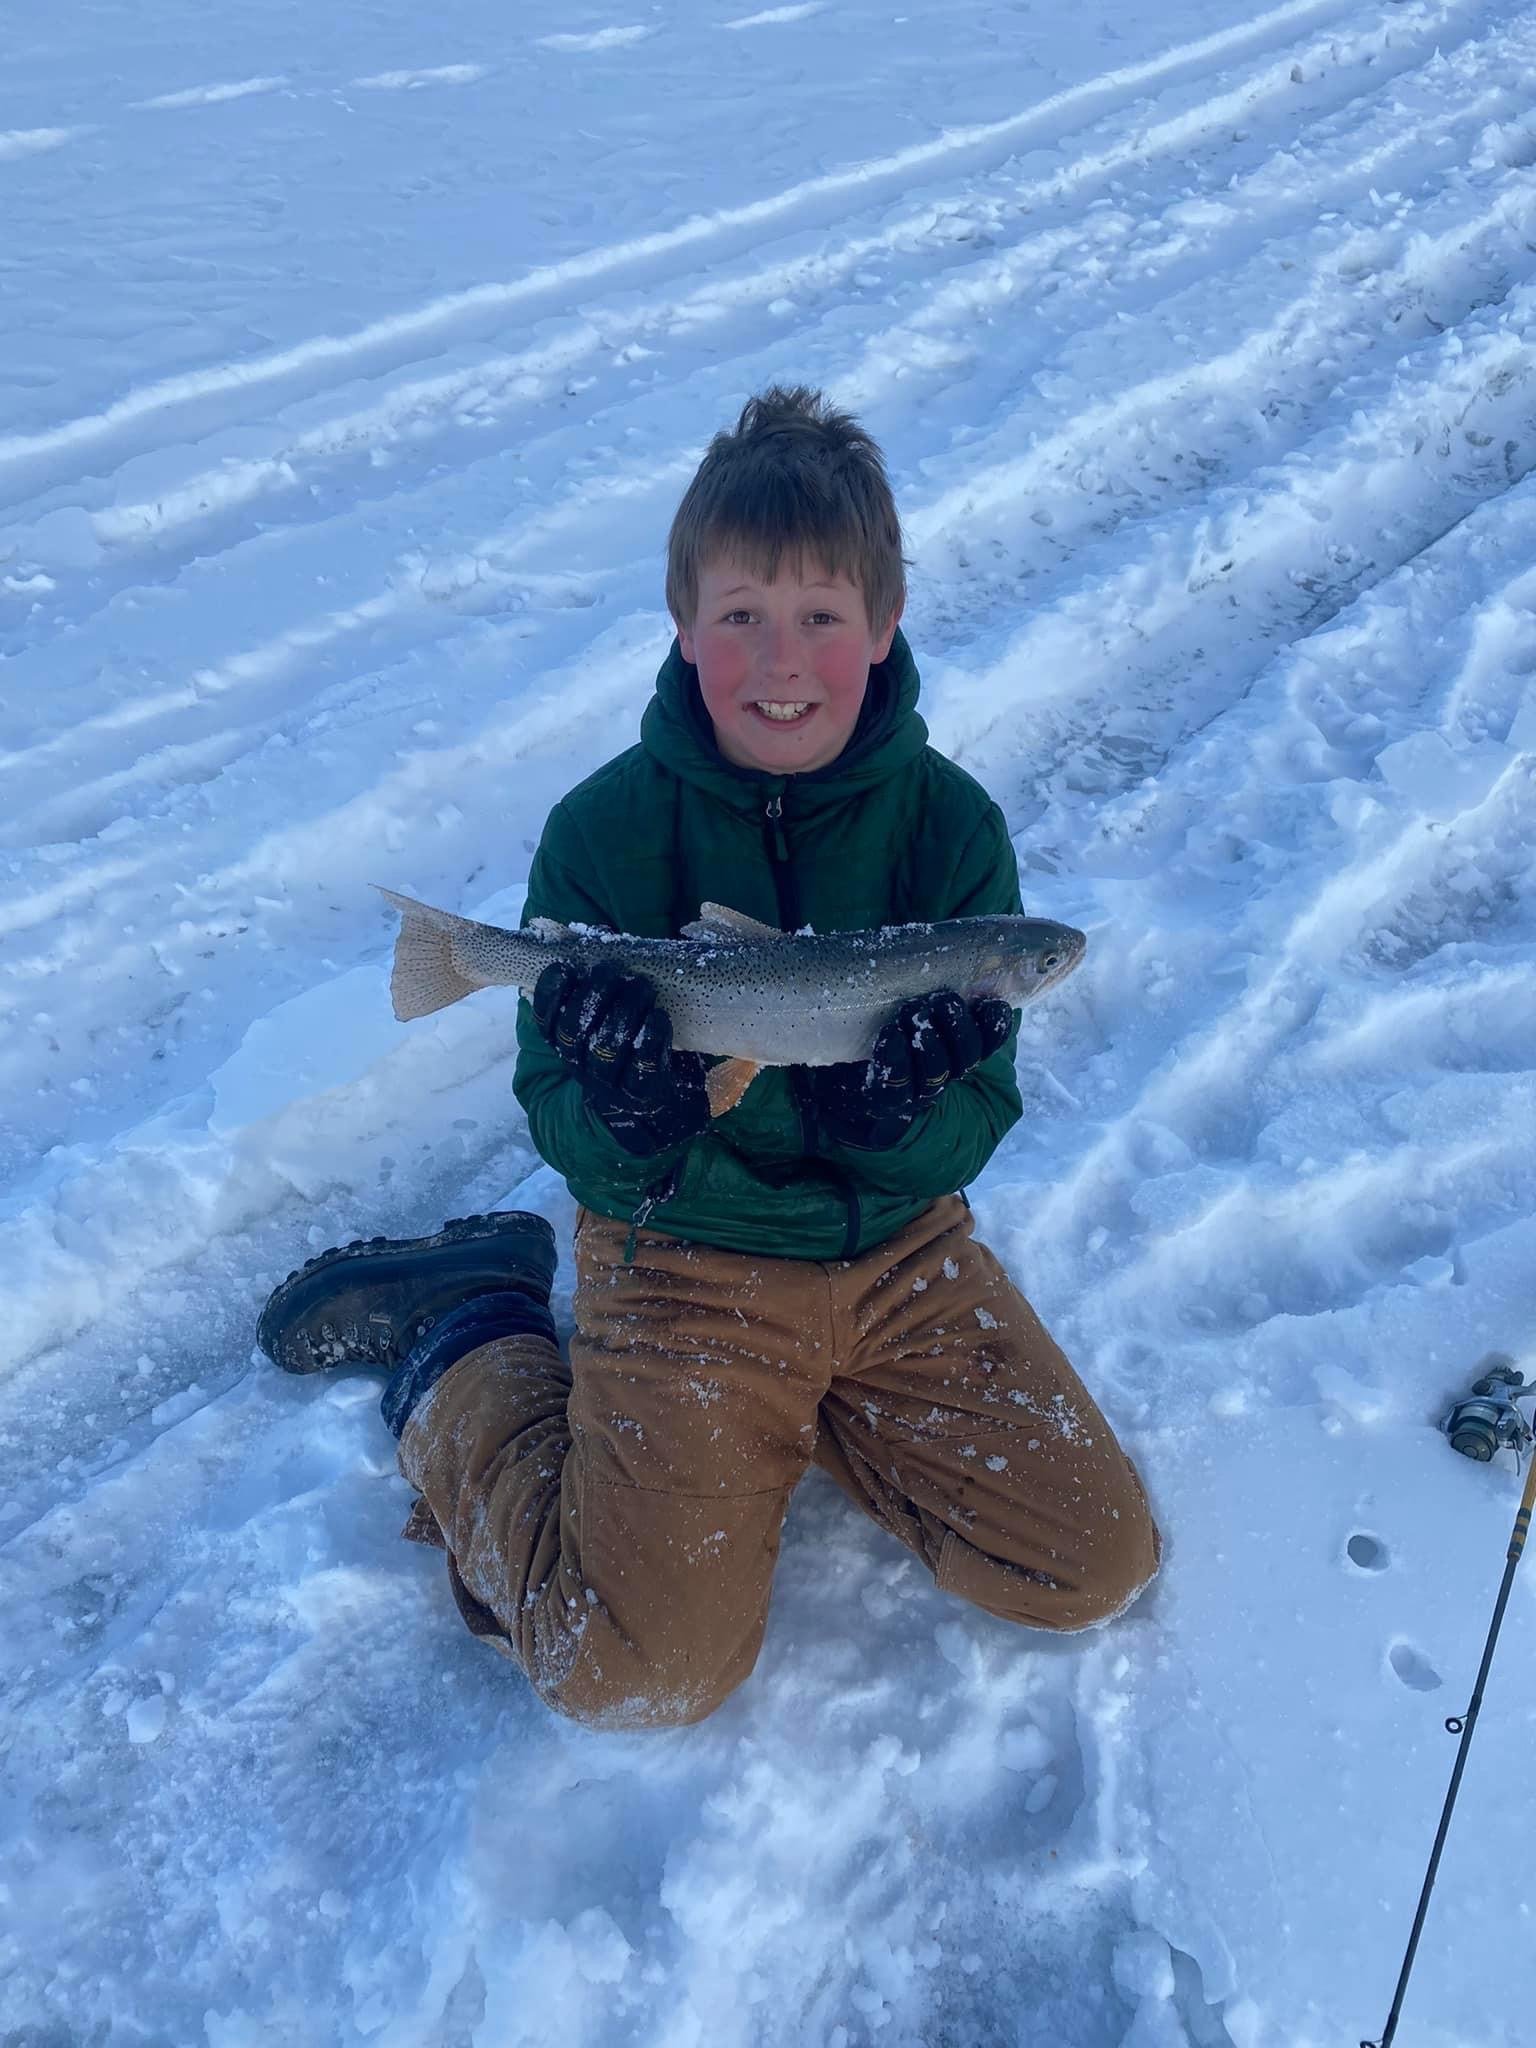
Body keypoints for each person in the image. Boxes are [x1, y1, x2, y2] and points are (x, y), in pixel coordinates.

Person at [257, 387, 1160, 1727]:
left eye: (821, 618)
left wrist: (895, 1124)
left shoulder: (952, 832)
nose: (780, 660)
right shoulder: (606, 833)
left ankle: (823, 1405)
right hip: (684, 1261)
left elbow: (984, 1103)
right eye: (741, 617)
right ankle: (466, 1339)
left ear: (884, 627)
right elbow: (555, 1104)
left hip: (901, 1253)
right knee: (634, 1671)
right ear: (686, 630)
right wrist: (625, 1112)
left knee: (1091, 1561)